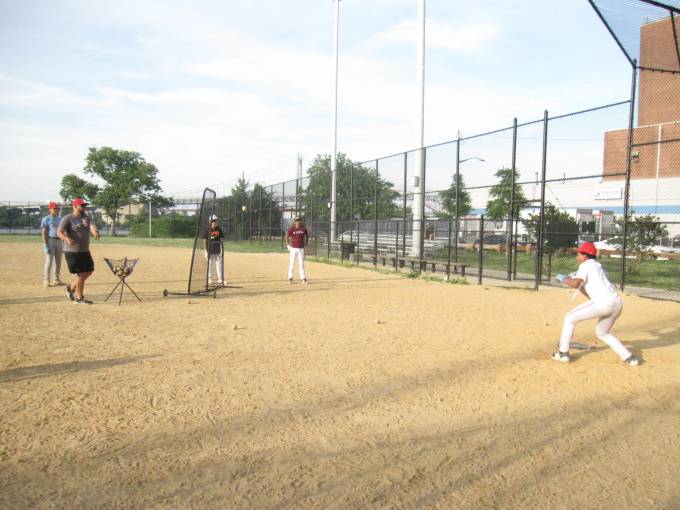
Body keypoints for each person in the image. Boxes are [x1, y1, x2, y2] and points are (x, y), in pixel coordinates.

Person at [553, 241, 639, 366]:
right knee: (602, 333)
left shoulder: (586, 265)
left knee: (569, 317)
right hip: (617, 304)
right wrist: (571, 279)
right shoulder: (598, 267)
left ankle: (563, 353)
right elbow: (584, 289)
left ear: (585, 256)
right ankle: (629, 357)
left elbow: (576, 283)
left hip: (604, 303)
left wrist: (564, 279)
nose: (577, 256)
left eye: (579, 254)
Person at [57, 198, 100, 305]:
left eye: (85, 205)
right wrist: (67, 239)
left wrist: (95, 232)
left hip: (84, 250)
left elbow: (92, 226)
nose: (84, 207)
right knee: (81, 274)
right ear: (75, 206)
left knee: (88, 271)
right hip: (72, 251)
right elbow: (59, 232)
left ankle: (70, 288)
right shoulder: (68, 218)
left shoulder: (86, 218)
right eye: (82, 205)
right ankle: (79, 297)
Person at [40, 201, 63, 286]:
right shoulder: (46, 219)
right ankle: (46, 280)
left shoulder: (60, 219)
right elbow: (43, 232)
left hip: (59, 241)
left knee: (58, 262)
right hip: (50, 241)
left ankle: (56, 279)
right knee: (49, 261)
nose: (56, 210)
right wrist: (45, 244)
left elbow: (62, 231)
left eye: (57, 208)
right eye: (54, 208)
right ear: (50, 209)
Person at [286, 216, 308, 284]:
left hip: (301, 248)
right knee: (292, 263)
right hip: (293, 248)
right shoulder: (292, 229)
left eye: (298, 220)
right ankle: (290, 277)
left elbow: (307, 236)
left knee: (301, 264)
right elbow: (287, 236)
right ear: (294, 221)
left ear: (300, 221)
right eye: (296, 220)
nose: (297, 221)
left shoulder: (303, 229)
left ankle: (303, 278)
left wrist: (306, 244)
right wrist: (288, 245)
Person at [204, 214, 224, 286]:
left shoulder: (219, 229)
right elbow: (205, 240)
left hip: (217, 250)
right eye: (213, 221)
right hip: (209, 249)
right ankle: (209, 278)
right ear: (210, 221)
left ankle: (220, 278)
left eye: (215, 221)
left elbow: (222, 239)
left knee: (219, 264)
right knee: (209, 264)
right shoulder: (207, 230)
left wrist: (221, 244)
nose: (214, 222)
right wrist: (205, 250)